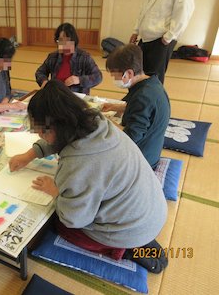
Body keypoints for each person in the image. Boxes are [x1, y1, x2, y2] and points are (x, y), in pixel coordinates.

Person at [9, 80, 168, 273]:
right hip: (149, 209)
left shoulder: (78, 163)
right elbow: (60, 140)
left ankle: (123, 250)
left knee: (62, 227)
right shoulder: (96, 121)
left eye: (41, 132)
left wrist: (55, 191)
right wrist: (29, 155)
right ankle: (136, 237)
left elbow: (75, 219)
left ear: (54, 129)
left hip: (131, 228)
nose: (40, 136)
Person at [102, 44, 170, 169]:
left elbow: (130, 137)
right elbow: (146, 111)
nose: (113, 79)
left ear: (128, 73)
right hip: (151, 149)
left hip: (142, 160)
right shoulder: (152, 82)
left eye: (114, 75)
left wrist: (105, 122)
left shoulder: (143, 97)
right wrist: (115, 107)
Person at [129, 0, 194, 84]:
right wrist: (136, 30)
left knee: (154, 78)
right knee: (138, 73)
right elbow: (143, 10)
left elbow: (184, 12)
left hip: (162, 39)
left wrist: (169, 36)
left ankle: (151, 97)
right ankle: (138, 97)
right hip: (145, 38)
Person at [35, 23, 102, 94]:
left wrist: (79, 80)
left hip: (76, 97)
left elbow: (98, 76)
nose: (64, 44)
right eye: (61, 40)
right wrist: (44, 81)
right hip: (56, 95)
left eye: (67, 40)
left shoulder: (84, 57)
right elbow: (40, 72)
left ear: (74, 40)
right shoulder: (53, 57)